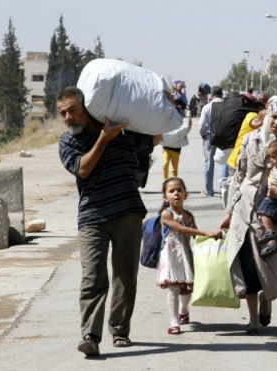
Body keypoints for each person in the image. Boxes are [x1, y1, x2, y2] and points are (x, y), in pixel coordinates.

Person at [57, 86, 148, 356]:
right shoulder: (68, 142)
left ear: (87, 108)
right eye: (62, 113)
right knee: (93, 277)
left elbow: (154, 137)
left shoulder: (122, 131)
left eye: (72, 110)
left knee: (125, 275)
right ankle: (90, 335)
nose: (67, 118)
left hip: (128, 209)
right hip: (92, 216)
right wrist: (103, 139)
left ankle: (119, 331)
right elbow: (83, 169)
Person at [219, 97, 277, 335]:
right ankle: (254, 320)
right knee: (246, 266)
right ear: (266, 117)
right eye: (273, 117)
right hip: (245, 211)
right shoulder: (249, 139)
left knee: (268, 264)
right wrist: (229, 212)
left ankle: (267, 298)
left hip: (271, 216)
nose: (276, 122)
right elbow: (238, 176)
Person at [157, 177, 222, 335]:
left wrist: (213, 237)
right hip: (171, 256)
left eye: (179, 190)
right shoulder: (166, 214)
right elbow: (181, 229)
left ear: (185, 194)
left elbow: (196, 236)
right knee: (173, 288)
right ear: (165, 197)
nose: (176, 193)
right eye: (171, 191)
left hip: (186, 255)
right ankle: (173, 322)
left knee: (186, 289)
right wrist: (205, 232)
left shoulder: (189, 215)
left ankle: (183, 311)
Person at [198, 85, 224, 196]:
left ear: (212, 95)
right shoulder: (227, 106)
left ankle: (209, 190)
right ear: (221, 94)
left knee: (209, 163)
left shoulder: (207, 107)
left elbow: (201, 125)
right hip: (224, 137)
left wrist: (203, 135)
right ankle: (223, 189)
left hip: (210, 136)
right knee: (224, 162)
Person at [159, 111, 192, 180]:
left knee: (174, 168)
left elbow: (188, 125)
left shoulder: (180, 129)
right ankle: (165, 181)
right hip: (166, 149)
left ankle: (174, 180)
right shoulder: (165, 127)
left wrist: (189, 116)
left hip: (176, 150)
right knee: (165, 164)